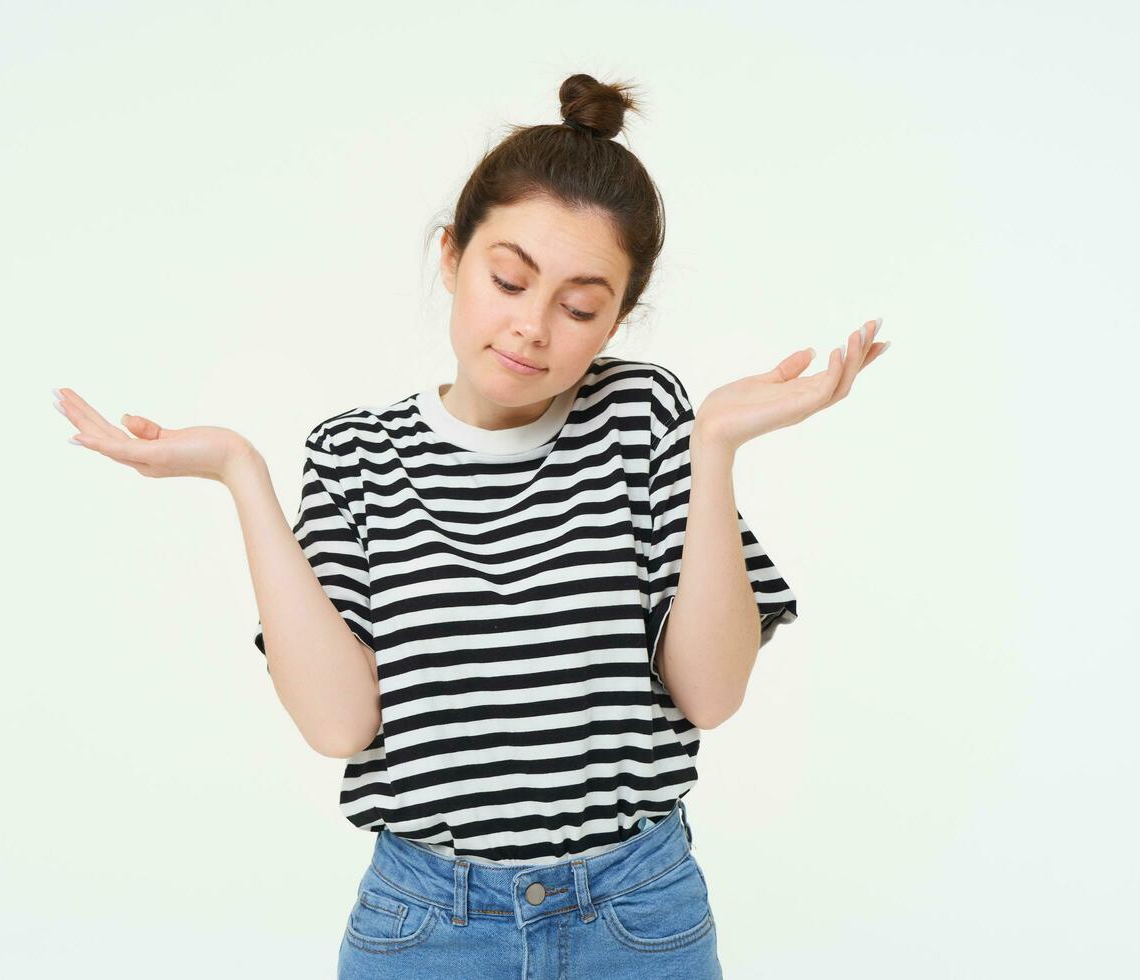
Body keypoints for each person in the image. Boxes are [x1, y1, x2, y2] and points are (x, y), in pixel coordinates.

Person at [54, 72, 888, 980]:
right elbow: (340, 725)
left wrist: (715, 444)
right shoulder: (354, 455)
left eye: (578, 307)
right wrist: (239, 475)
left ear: (617, 319)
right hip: (427, 925)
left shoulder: (646, 417)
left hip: (637, 915)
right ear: (451, 257)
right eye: (507, 280)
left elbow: (711, 696)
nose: (532, 328)